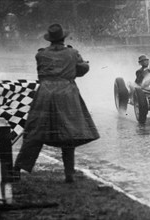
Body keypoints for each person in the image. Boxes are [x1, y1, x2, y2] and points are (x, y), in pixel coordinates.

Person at [13, 24, 100, 183]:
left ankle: (17, 169)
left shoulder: (41, 54)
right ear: (63, 38)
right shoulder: (72, 53)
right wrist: (81, 63)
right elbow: (82, 70)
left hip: (45, 93)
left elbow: (42, 70)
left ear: (50, 39)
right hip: (67, 94)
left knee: (35, 131)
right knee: (69, 132)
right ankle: (69, 174)